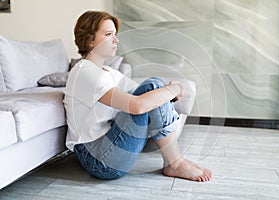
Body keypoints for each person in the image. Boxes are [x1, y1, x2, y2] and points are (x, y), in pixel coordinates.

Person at [63, 10, 212, 182]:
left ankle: (176, 160)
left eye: (115, 34)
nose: (116, 40)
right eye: (108, 34)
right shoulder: (84, 72)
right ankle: (175, 162)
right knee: (153, 88)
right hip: (97, 158)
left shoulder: (109, 73)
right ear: (90, 41)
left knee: (154, 87)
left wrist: (168, 90)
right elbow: (137, 105)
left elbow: (149, 93)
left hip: (111, 147)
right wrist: (174, 89)